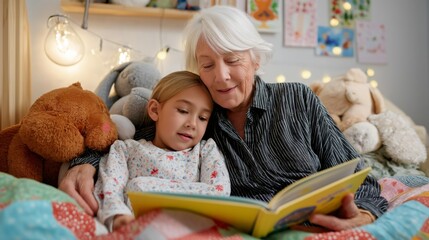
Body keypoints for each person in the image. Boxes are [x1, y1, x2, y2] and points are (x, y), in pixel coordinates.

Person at [59, 5, 388, 232]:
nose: (221, 77)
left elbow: (361, 177)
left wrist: (361, 215)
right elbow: (131, 141)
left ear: (255, 58)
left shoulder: (297, 99)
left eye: (232, 60)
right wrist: (85, 161)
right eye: (207, 65)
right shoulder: (198, 119)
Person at [94, 70, 231, 231]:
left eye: (202, 118)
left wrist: (142, 187)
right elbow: (109, 188)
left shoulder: (205, 151)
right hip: (138, 229)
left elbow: (219, 192)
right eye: (183, 111)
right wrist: (118, 216)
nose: (193, 124)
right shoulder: (125, 150)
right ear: (155, 110)